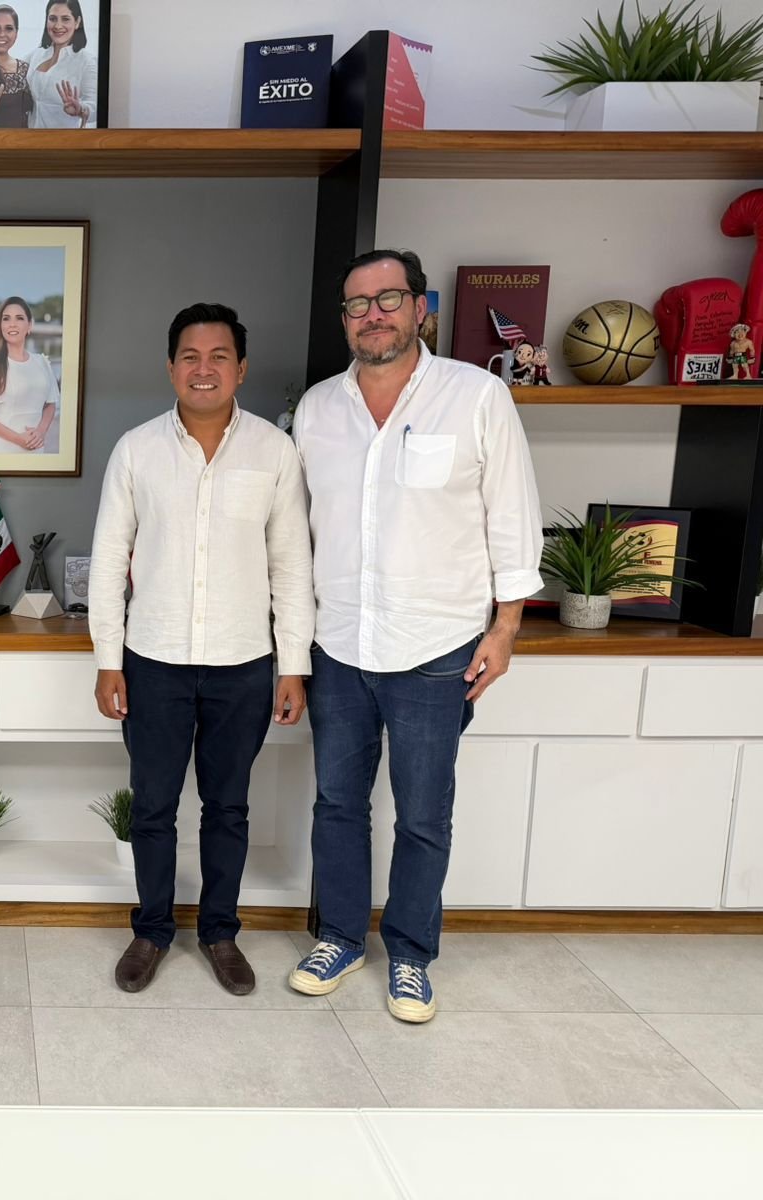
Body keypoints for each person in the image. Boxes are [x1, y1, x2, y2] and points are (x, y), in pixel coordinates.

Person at [288, 249, 542, 1023]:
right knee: (337, 804)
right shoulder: (317, 409)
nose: (374, 315)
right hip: (340, 645)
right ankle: (338, 937)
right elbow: (298, 535)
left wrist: (506, 628)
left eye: (388, 298)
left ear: (420, 306)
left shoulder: (476, 396)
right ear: (345, 319)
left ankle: (409, 954)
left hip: (438, 649)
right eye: (358, 304)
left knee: (424, 812)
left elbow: (513, 514)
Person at [90, 303, 313, 995]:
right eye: (190, 355)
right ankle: (152, 931)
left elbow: (291, 565)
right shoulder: (136, 450)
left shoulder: (275, 454)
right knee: (153, 806)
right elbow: (107, 560)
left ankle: (219, 932)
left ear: (240, 368)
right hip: (151, 660)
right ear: (170, 367)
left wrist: (294, 664)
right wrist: (107, 659)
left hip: (243, 663)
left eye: (219, 356)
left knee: (229, 808)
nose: (204, 368)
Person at [0, 296, 59, 453]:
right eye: (6, 319)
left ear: (29, 325)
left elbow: (50, 403)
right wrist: (19, 439)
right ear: (0, 325)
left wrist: (41, 432)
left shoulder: (42, 362)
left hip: (35, 449)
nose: (12, 324)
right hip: (0, 450)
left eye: (19, 318)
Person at [26, 0, 96, 129]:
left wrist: (80, 109)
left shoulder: (87, 61)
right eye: (52, 19)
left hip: (65, 143)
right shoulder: (36, 54)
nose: (58, 26)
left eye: (65, 19)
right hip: (31, 142)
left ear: (77, 22)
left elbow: (96, 108)